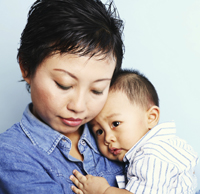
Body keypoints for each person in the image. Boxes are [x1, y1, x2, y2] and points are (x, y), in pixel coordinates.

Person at [0, 0, 126, 193]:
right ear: (26, 67)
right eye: (64, 85)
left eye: (97, 90)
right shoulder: (11, 152)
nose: (79, 106)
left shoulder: (119, 133)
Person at [70, 69, 199, 194]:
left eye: (115, 124)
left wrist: (103, 191)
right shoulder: (166, 144)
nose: (107, 138)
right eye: (99, 131)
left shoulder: (151, 156)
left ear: (151, 117)